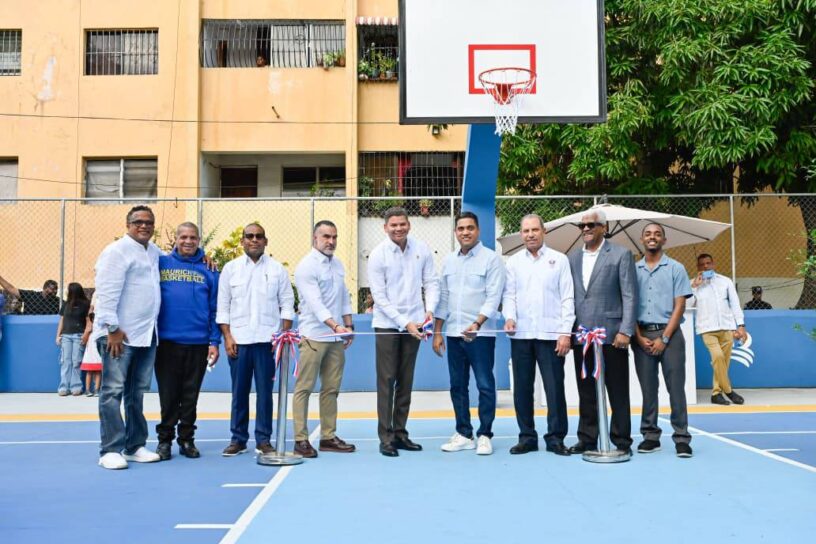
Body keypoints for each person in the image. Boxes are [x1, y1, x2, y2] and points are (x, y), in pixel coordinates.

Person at [217, 223, 295, 457]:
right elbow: (223, 306)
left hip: (267, 343)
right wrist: (227, 337)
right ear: (242, 241)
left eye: (259, 236)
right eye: (249, 236)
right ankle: (238, 439)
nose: (254, 240)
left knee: (265, 394)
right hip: (238, 342)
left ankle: (263, 440)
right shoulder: (230, 269)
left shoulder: (277, 270)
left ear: (265, 241)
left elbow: (287, 304)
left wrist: (282, 337)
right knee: (239, 393)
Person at [94, 205, 162, 469]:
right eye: (138, 221)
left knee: (137, 393)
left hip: (146, 334)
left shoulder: (153, 251)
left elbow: (177, 259)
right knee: (112, 391)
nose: (144, 226)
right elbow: (106, 292)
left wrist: (204, 258)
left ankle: (134, 446)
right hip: (119, 336)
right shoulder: (116, 251)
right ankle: (110, 450)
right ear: (128, 224)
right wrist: (112, 328)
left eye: (149, 222)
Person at [367, 207, 439, 457]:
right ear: (385, 228)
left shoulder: (422, 249)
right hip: (387, 324)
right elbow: (379, 297)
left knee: (406, 381)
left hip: (415, 324)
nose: (398, 228)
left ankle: (400, 433)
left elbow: (431, 282)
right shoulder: (377, 255)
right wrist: (405, 322)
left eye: (402, 224)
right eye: (393, 225)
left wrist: (430, 310)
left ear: (409, 225)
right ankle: (386, 437)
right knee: (387, 380)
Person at [433, 212, 505, 456]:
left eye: (470, 228)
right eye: (461, 228)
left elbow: (493, 297)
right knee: (457, 385)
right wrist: (438, 332)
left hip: (480, 336)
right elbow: (443, 298)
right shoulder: (448, 261)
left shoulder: (491, 259)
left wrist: (477, 323)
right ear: (456, 232)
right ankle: (464, 433)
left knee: (485, 384)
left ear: (478, 230)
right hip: (453, 334)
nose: (465, 232)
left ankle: (485, 434)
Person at [502, 214, 574, 456]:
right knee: (522, 390)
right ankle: (527, 437)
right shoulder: (513, 262)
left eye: (534, 230)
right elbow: (509, 295)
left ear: (544, 231)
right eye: (526, 231)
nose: (530, 234)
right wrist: (509, 317)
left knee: (555, 389)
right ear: (521, 234)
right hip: (521, 335)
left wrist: (565, 333)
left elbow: (567, 298)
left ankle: (556, 438)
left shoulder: (559, 260)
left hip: (551, 336)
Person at [567, 209, 637, 455]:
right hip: (582, 336)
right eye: (582, 226)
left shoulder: (621, 254)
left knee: (617, 391)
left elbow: (630, 295)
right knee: (586, 391)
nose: (586, 229)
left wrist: (626, 330)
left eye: (591, 225)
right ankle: (587, 439)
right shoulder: (572, 258)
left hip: (612, 335)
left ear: (603, 228)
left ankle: (622, 441)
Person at [154, 222, 221, 461]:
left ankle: (186, 439)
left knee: (190, 395)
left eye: (193, 237)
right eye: (183, 237)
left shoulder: (210, 270)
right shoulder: (160, 264)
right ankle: (164, 441)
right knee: (168, 395)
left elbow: (215, 309)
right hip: (166, 343)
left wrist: (214, 341)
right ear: (176, 239)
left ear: (199, 240)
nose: (188, 241)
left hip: (198, 342)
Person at [292, 221, 356, 459]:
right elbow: (315, 304)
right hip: (314, 337)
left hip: (335, 338)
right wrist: (336, 326)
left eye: (334, 237)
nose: (331, 241)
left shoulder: (338, 264)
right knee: (304, 388)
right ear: (315, 238)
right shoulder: (306, 267)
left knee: (331, 389)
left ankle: (328, 437)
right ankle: (300, 440)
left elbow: (344, 297)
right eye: (326, 236)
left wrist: (348, 325)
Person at [632, 224, 693, 458]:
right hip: (642, 336)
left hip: (671, 335)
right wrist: (638, 336)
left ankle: (681, 438)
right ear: (642, 239)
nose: (652, 237)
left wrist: (665, 338)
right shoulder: (633, 270)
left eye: (657, 234)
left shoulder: (676, 268)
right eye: (648, 234)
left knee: (675, 388)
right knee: (648, 389)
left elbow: (680, 305)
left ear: (664, 240)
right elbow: (629, 304)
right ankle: (650, 436)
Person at [691, 253, 747, 405]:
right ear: (698, 267)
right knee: (718, 357)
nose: (706, 266)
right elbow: (688, 305)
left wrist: (740, 325)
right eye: (702, 264)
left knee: (723, 362)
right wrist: (695, 286)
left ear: (713, 264)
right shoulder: (692, 284)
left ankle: (716, 393)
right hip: (707, 328)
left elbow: (735, 304)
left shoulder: (725, 281)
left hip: (727, 327)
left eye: (708, 263)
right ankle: (728, 390)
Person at [55, 283, 91, 397]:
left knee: (76, 361)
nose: (66, 291)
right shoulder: (66, 304)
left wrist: (85, 335)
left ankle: (76, 387)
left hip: (79, 335)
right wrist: (58, 335)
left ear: (73, 291)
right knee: (66, 361)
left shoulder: (86, 304)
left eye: (68, 289)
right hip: (66, 336)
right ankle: (63, 387)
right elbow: (62, 320)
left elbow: (88, 321)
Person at [79, 292, 102, 397]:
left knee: (97, 370)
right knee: (91, 370)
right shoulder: (90, 322)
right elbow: (86, 334)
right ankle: (90, 390)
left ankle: (95, 389)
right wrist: (85, 336)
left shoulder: (99, 324)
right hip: (91, 348)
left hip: (96, 347)